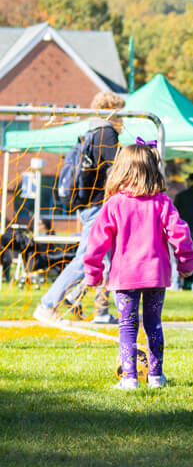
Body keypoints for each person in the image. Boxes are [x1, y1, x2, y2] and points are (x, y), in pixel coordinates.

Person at [81, 144, 193, 389]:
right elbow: (180, 234)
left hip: (125, 277)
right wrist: (186, 262)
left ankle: (130, 377)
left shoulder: (114, 204)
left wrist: (93, 272)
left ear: (121, 170)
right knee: (153, 323)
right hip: (156, 275)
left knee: (127, 324)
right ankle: (155, 376)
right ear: (153, 170)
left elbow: (97, 242)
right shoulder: (162, 202)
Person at [33, 90, 124, 326]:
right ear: (113, 112)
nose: (124, 120)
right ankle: (48, 304)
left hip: (88, 205)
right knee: (87, 257)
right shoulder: (107, 133)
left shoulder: (90, 133)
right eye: (121, 114)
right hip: (97, 206)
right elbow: (118, 170)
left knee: (104, 258)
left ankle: (97, 308)